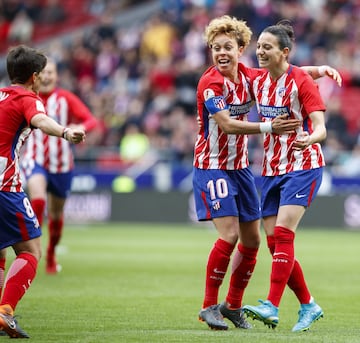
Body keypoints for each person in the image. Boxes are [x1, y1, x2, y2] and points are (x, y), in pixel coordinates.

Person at [193, 15, 342, 331]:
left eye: (228, 47)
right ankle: (209, 306)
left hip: (244, 168)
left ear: (240, 49)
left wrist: (321, 70)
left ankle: (233, 306)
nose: (221, 53)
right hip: (213, 165)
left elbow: (285, 71)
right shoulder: (211, 83)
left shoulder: (249, 77)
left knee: (253, 242)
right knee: (231, 235)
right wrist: (268, 126)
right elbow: (228, 125)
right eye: (215, 48)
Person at [242, 20, 334, 332]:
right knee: (275, 245)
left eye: (266, 47)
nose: (260, 52)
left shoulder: (302, 83)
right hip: (270, 169)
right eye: (258, 47)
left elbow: (320, 125)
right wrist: (319, 66)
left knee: (283, 235)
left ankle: (271, 305)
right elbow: (287, 70)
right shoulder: (258, 79)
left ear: (284, 52)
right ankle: (309, 304)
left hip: (302, 164)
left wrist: (312, 137)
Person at [0, 44, 85, 338]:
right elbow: (41, 120)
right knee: (30, 250)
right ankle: (5, 311)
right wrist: (65, 132)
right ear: (34, 77)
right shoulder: (28, 99)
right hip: (4, 187)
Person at [20, 58, 98, 274]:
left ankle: (51, 254)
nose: (46, 77)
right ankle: (32, 249)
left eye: (50, 73)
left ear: (56, 76)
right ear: (36, 75)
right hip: (34, 160)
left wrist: (79, 126)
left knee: (56, 213)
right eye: (43, 72)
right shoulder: (28, 98)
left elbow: (91, 120)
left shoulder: (65, 99)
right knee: (37, 198)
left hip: (62, 165)